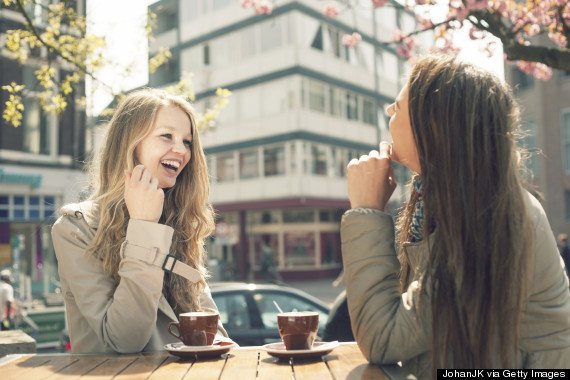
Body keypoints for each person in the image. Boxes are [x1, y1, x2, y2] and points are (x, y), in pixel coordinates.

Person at [341, 54, 570, 375]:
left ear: (433, 124)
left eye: (396, 109)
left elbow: (383, 337)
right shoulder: (452, 201)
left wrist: (365, 211)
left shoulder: (489, 217)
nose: (388, 116)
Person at [51, 88, 230, 354]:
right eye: (166, 136)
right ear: (130, 145)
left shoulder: (179, 223)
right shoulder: (76, 228)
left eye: (187, 142)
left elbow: (211, 329)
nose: (181, 150)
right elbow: (124, 340)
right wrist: (144, 226)